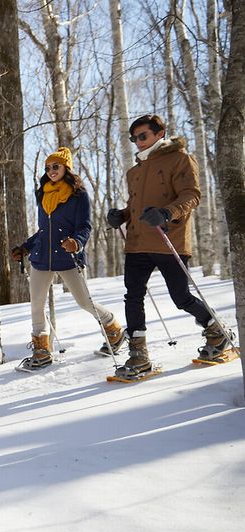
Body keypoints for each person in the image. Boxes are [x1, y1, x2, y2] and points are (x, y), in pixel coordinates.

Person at [106, 114, 229, 378]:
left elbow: (191, 195)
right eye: (134, 138)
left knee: (180, 297)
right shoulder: (135, 171)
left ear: (160, 134)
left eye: (143, 136)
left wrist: (166, 213)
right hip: (138, 242)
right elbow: (135, 207)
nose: (138, 142)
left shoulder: (180, 159)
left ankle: (217, 332)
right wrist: (122, 216)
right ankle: (138, 355)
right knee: (133, 295)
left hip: (168, 238)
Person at [11, 147, 124, 370]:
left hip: (67, 254)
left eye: (56, 166)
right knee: (36, 305)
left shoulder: (79, 195)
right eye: (48, 168)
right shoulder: (42, 193)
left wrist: (77, 242)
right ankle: (41, 351)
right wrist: (25, 247)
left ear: (66, 168)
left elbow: (85, 226)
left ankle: (113, 327)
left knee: (84, 302)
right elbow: (45, 230)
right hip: (41, 257)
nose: (51, 171)